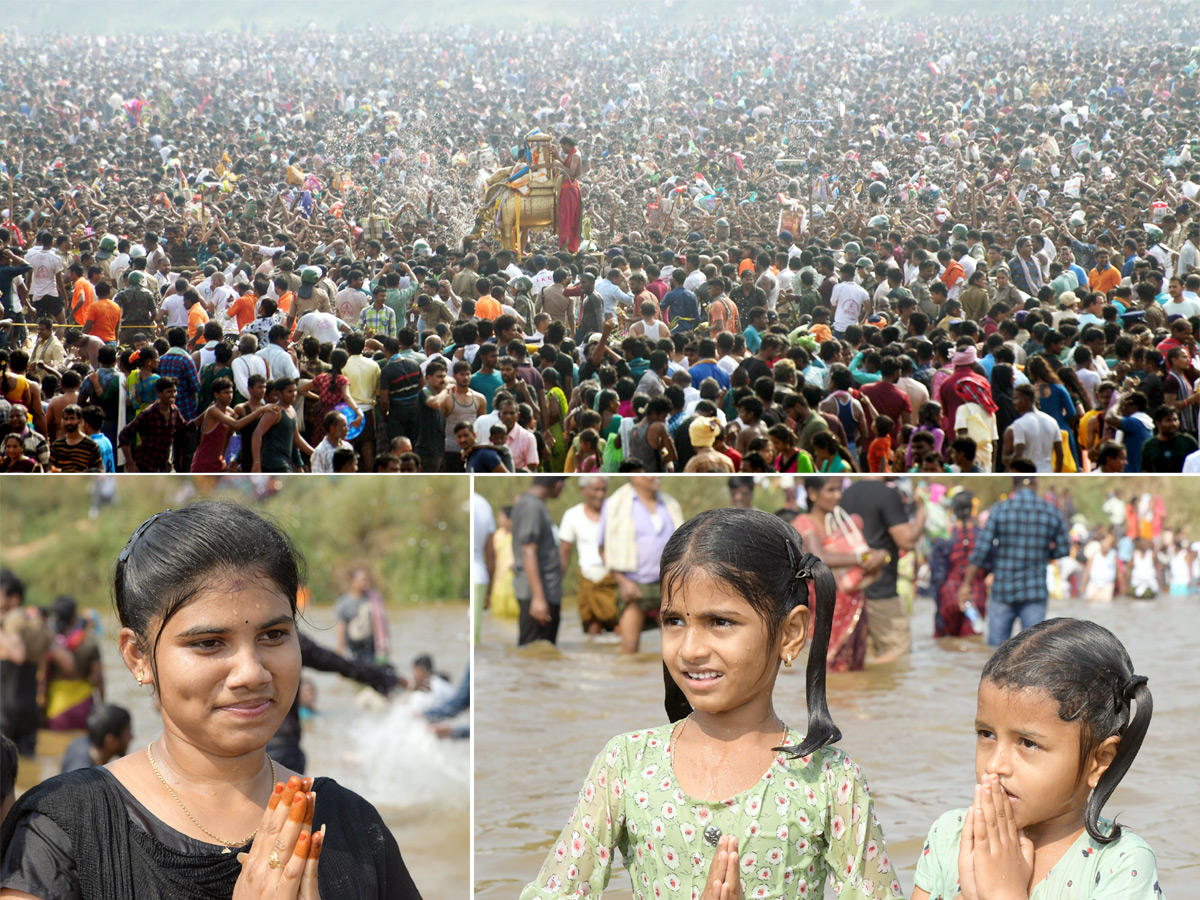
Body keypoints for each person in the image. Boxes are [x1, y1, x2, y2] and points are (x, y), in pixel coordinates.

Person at [0, 503, 422, 898]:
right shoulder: (59, 830)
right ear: (138, 656)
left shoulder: (351, 824)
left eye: (274, 635)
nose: (252, 672)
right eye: (208, 642)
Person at [520, 508, 904, 900]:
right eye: (674, 621)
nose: (690, 649)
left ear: (790, 633)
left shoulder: (829, 782)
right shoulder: (625, 764)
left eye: (720, 622)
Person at [912, 618, 1159, 900]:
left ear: (1100, 760)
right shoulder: (951, 836)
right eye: (986, 734)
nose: (994, 765)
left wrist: (1004, 894)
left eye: (1028, 743)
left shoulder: (1121, 865)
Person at [959, 476, 1071, 646]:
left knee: (996, 652)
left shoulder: (998, 510)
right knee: (1033, 651)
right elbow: (1064, 549)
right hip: (1034, 591)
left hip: (1003, 590)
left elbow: (981, 551)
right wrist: (1042, 553)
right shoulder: (1051, 511)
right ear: (1035, 483)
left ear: (1013, 483)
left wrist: (966, 584)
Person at [792, 477, 887, 671]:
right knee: (830, 664)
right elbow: (820, 558)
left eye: (839, 489)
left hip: (854, 599)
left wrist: (880, 556)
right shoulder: (805, 521)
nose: (838, 495)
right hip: (828, 604)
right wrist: (863, 558)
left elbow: (858, 552)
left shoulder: (839, 522)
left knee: (854, 662)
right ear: (812, 494)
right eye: (831, 490)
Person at [840, 477, 925, 664]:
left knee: (865, 654)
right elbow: (907, 541)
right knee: (899, 653)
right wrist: (922, 512)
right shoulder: (887, 494)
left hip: (853, 586)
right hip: (881, 587)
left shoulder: (848, 493)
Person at [598, 477, 684, 654]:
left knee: (675, 647)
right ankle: (628, 681)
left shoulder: (669, 504)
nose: (656, 476)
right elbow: (602, 548)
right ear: (634, 477)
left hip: (667, 585)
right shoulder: (615, 504)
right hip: (633, 585)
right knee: (629, 647)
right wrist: (622, 581)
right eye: (648, 474)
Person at [558, 477, 618, 635]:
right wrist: (557, 585)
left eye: (603, 489)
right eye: (596, 489)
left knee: (622, 627)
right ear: (583, 491)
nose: (600, 494)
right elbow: (564, 553)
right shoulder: (572, 515)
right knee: (592, 629)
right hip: (588, 578)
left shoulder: (614, 512)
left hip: (613, 577)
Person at [511, 476, 567, 646]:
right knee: (533, 650)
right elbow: (528, 551)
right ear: (558, 483)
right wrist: (539, 598)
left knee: (542, 654)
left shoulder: (532, 504)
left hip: (542, 590)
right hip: (537, 592)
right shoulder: (532, 507)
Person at [928, 491, 989, 638]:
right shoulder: (982, 535)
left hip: (950, 595)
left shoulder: (945, 537)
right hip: (976, 594)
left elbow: (937, 573)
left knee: (947, 642)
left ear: (953, 509)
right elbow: (990, 564)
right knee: (972, 642)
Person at [334, 567, 390, 666]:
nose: (365, 583)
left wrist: (384, 650)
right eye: (362, 580)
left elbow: (382, 626)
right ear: (352, 582)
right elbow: (341, 628)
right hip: (353, 649)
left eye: (367, 579)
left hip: (372, 648)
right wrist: (340, 654)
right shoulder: (343, 603)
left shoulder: (374, 599)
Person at [60, 704, 133, 774]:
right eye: (127, 733)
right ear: (110, 741)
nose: (132, 737)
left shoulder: (80, 741)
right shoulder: (86, 777)